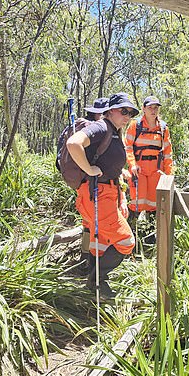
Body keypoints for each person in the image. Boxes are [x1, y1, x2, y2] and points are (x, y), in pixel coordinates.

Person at [66, 93, 137, 297]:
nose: (127, 115)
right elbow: (73, 143)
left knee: (102, 241)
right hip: (97, 194)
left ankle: (95, 288)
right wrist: (88, 169)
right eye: (123, 111)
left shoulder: (114, 131)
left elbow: (106, 159)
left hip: (107, 192)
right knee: (126, 242)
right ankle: (97, 280)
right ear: (110, 110)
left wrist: (119, 172)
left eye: (130, 113)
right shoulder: (101, 127)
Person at [124, 95, 173, 243]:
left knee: (154, 206)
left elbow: (167, 153)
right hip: (138, 172)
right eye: (150, 107)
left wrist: (168, 176)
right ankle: (129, 239)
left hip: (155, 173)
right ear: (144, 109)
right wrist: (132, 165)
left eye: (156, 108)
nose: (153, 110)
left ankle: (149, 240)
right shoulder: (135, 125)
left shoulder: (163, 128)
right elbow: (127, 147)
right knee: (135, 204)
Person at [77, 97, 110, 274]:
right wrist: (90, 170)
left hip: (84, 186)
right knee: (93, 224)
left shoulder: (93, 128)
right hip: (90, 187)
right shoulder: (95, 131)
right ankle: (90, 265)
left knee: (89, 223)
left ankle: (87, 261)